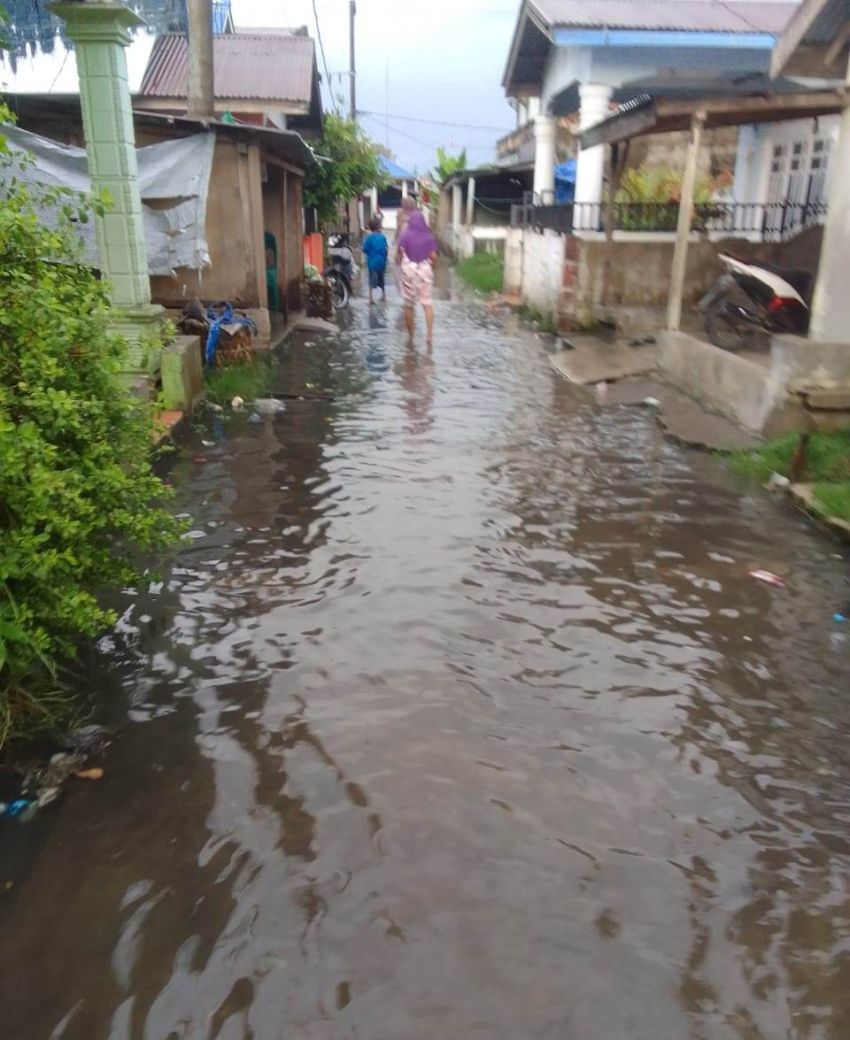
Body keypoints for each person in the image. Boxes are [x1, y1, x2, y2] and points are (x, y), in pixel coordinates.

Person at [397, 211, 438, 346]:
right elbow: (433, 256)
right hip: (424, 271)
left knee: (409, 306)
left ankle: (411, 335)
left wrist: (400, 264)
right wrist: (432, 267)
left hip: (409, 272)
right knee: (427, 304)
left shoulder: (404, 235)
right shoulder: (429, 236)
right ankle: (429, 336)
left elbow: (400, 254)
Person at [362, 216, 389, 305]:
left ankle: (370, 297)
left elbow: (365, 249)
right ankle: (384, 296)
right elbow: (386, 249)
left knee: (371, 279)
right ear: (378, 227)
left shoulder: (369, 238)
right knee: (382, 279)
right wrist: (385, 258)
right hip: (382, 261)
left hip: (372, 262)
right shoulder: (383, 237)